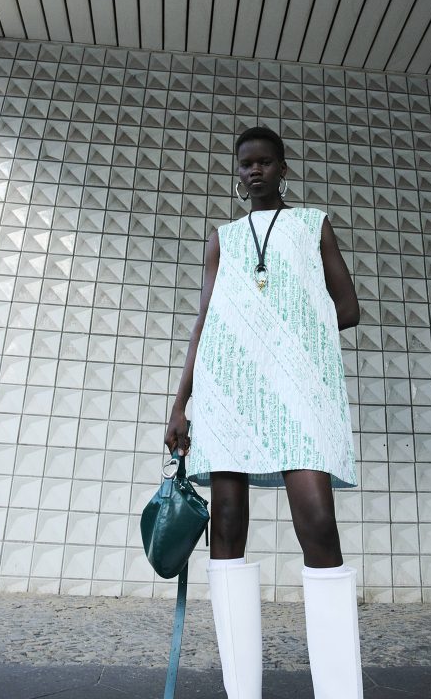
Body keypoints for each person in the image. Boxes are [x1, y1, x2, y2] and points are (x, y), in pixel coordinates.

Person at [165, 125, 363, 699]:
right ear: (238, 172)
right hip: (229, 389)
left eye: (265, 162)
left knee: (318, 523)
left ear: (283, 168)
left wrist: (284, 333)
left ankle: (340, 692)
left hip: (297, 386)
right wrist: (180, 403)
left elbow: (348, 308)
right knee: (226, 526)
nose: (255, 170)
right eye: (246, 163)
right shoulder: (222, 240)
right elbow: (206, 321)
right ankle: (241, 691)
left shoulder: (312, 225)